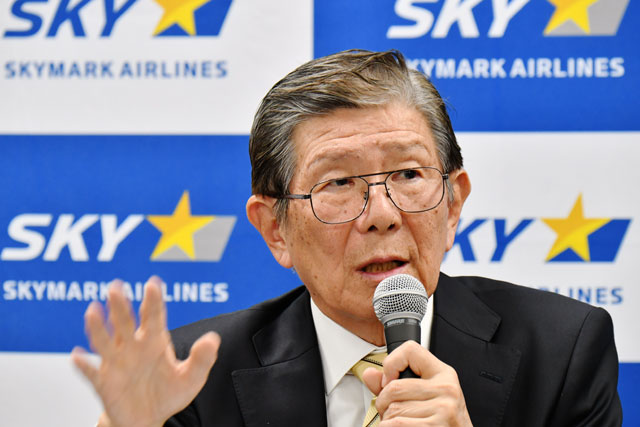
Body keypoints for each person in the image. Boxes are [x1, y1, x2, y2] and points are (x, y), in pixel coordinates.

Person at [72, 49, 622, 426]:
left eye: (408, 174)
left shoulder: (562, 351)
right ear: (275, 229)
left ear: (453, 204)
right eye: (338, 183)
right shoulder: (192, 376)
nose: (382, 215)